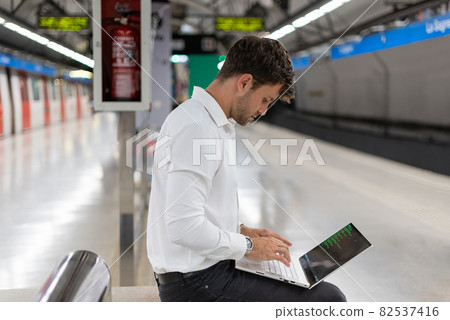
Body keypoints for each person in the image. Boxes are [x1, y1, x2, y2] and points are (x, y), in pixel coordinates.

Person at [146, 35, 346, 302]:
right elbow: (183, 227)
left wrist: (239, 231)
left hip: (204, 274)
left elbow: (198, 208)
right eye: (265, 99)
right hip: (197, 286)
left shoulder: (206, 121)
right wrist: (250, 247)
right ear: (244, 82)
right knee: (327, 298)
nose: (263, 111)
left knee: (314, 285)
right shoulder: (198, 128)